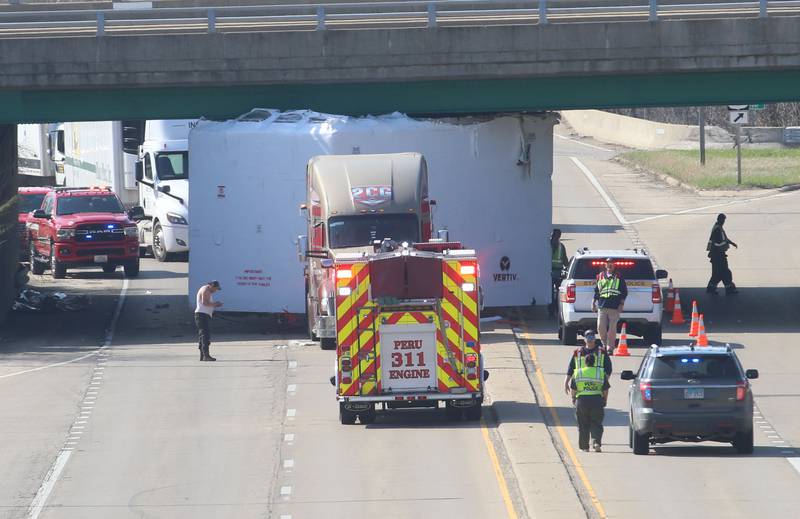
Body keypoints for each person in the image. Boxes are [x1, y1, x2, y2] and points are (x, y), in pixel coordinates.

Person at [569, 352, 610, 452]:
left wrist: (573, 398)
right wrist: (604, 400)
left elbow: (573, 389)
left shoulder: (578, 373)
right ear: (594, 362)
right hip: (597, 400)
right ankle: (596, 442)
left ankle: (584, 447)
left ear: (585, 362)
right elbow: (605, 389)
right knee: (596, 423)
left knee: (583, 424)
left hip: (582, 401)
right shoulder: (600, 373)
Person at [593, 258, 627, 354]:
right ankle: (604, 344)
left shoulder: (619, 276)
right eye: (608, 263)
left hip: (614, 307)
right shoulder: (600, 276)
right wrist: (593, 303)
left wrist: (621, 304)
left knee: (612, 328)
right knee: (600, 327)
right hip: (602, 306)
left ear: (614, 265)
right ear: (605, 265)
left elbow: (624, 292)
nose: (610, 265)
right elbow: (597, 291)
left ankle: (610, 348)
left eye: (611, 263)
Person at [706, 213, 738, 295]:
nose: (724, 222)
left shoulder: (719, 227)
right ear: (719, 220)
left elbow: (725, 239)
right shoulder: (717, 229)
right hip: (718, 255)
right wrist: (713, 253)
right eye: (723, 220)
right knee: (725, 272)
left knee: (717, 272)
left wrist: (732, 243)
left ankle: (711, 287)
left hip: (718, 254)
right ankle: (729, 288)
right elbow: (715, 242)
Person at [195, 280, 223, 361]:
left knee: (203, 335)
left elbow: (205, 303)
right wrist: (215, 304)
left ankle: (203, 355)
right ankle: (206, 356)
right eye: (216, 289)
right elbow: (205, 303)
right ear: (212, 286)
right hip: (202, 315)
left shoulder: (206, 290)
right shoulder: (206, 290)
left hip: (203, 315)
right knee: (205, 335)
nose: (215, 291)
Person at [549, 229, 569, 318]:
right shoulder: (561, 246)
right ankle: (556, 310)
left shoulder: (548, 245)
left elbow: (564, 260)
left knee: (551, 293)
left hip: (550, 273)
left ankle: (551, 311)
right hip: (557, 273)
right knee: (558, 293)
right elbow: (565, 260)